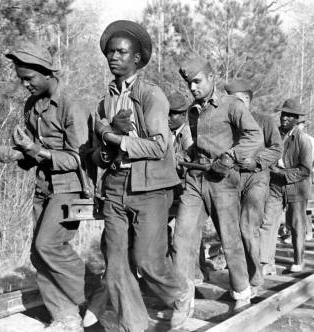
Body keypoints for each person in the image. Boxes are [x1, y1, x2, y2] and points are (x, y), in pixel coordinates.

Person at [91, 20, 192, 331]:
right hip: (115, 186)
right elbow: (97, 154)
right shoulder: (105, 100)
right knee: (116, 264)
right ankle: (134, 324)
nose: (114, 57)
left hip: (151, 189)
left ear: (137, 58)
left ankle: (180, 292)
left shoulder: (152, 95)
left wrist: (116, 138)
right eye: (110, 52)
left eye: (121, 52)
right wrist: (107, 146)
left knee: (147, 260)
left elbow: (161, 146)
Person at [0, 42, 89, 331]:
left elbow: (77, 158)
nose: (24, 85)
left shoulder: (72, 106)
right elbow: (31, 153)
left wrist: (34, 149)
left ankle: (94, 293)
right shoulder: (31, 106)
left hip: (72, 188)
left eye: (29, 78)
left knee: (48, 244)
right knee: (38, 254)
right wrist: (11, 153)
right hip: (44, 186)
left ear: (47, 73)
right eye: (21, 79)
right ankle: (66, 316)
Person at [173, 56, 263, 309]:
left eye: (197, 81)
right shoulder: (193, 110)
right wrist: (184, 155)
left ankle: (242, 293)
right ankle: (182, 299)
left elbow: (254, 136)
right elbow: (198, 146)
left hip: (222, 181)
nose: (192, 88)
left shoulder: (232, 105)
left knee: (229, 238)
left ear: (212, 78)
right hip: (194, 180)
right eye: (189, 83)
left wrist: (231, 157)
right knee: (182, 238)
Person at [224, 79, 283, 291]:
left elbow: (277, 148)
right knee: (231, 228)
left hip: (257, 177)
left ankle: (255, 274)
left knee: (248, 226)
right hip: (232, 179)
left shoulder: (264, 121)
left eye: (236, 100)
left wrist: (257, 160)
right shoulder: (227, 122)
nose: (232, 105)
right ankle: (240, 277)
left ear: (247, 100)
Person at [260, 99, 313, 273]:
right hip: (275, 185)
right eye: (284, 114)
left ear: (296, 119)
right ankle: (265, 263)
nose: (285, 118)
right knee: (268, 221)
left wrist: (281, 173)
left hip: (297, 186)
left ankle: (299, 260)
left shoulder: (303, 140)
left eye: (290, 116)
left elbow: (305, 170)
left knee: (296, 224)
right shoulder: (273, 135)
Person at [297, 120, 314, 236]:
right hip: (289, 175)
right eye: (296, 124)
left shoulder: (310, 140)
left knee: (305, 204)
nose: (298, 126)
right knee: (292, 205)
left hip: (305, 176)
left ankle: (308, 231)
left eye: (300, 124)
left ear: (303, 126)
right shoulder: (287, 138)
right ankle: (292, 231)